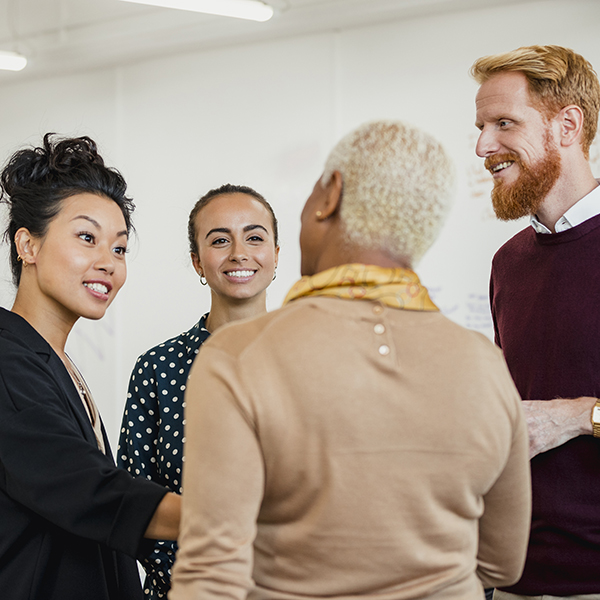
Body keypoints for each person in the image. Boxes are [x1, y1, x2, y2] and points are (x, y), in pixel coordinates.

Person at [170, 120, 532, 600]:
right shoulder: (484, 364)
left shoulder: (238, 356)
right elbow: (501, 563)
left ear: (330, 194)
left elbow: (210, 577)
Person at [0, 134, 181, 600]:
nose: (108, 263)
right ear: (28, 245)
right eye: (87, 238)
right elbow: (88, 490)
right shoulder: (6, 361)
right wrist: (244, 515)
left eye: (119, 249)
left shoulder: (54, 361)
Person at [472, 45, 600, 599]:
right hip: (512, 576)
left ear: (567, 125)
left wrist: (578, 417)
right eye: (480, 126)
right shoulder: (509, 263)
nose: (482, 146)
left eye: (504, 123)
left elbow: (554, 418)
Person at [117, 183, 279, 598]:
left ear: (276, 255)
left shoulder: (315, 359)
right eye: (220, 240)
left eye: (255, 237)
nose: (239, 253)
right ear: (197, 262)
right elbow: (132, 502)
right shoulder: (158, 369)